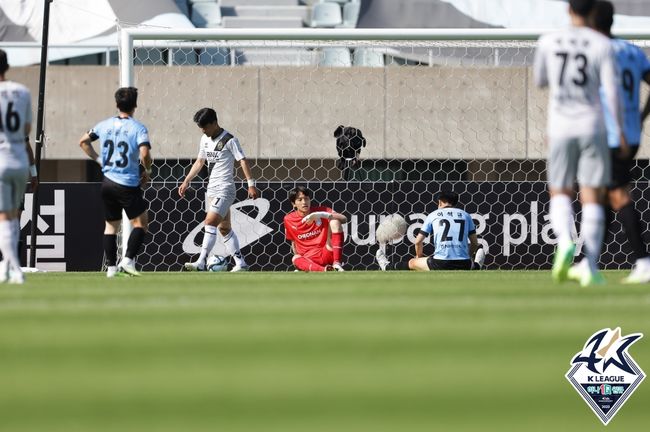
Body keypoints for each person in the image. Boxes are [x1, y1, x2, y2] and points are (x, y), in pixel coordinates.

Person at [533, 0, 624, 287]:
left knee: (559, 191)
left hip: (560, 126)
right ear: (594, 11)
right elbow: (612, 92)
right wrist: (619, 131)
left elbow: (540, 81)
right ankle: (591, 265)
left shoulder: (549, 41)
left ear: (568, 8)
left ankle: (563, 242)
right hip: (592, 125)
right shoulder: (602, 44)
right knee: (591, 195)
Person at [575, 0, 650, 284]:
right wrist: (641, 116)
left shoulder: (596, 51)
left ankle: (643, 261)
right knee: (606, 198)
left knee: (617, 195)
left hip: (608, 134)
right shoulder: (632, 51)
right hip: (631, 134)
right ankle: (589, 262)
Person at [79, 87, 153, 277]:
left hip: (107, 182)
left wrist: (98, 159)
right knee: (141, 224)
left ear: (116, 104)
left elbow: (83, 141)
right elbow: (145, 153)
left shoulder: (104, 125)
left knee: (111, 226)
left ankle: (111, 269)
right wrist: (148, 170)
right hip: (127, 183)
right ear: (135, 105)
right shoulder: (138, 128)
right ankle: (128, 261)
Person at [179, 108, 258, 272]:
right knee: (224, 228)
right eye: (200, 127)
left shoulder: (229, 140)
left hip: (225, 189)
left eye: (205, 127)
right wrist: (186, 180)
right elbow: (200, 161)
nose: (202, 130)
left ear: (214, 123)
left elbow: (242, 161)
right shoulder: (204, 139)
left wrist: (250, 184)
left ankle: (200, 262)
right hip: (212, 190)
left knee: (209, 222)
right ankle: (241, 263)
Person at [375, 190, 485, 271]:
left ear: (441, 202)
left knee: (412, 263)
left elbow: (418, 241)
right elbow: (475, 243)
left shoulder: (433, 215)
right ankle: (475, 265)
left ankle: (387, 267)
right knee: (466, 263)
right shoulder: (466, 215)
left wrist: (418, 257)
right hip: (464, 263)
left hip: (441, 264)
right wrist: (467, 256)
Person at [0, 49, 34, 284]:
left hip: (1, 160)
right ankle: (7, 268)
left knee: (4, 218)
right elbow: (26, 131)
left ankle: (15, 269)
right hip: (20, 161)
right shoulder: (23, 92)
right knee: (13, 218)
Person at [283, 186, 347, 272]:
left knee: (335, 221)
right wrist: (301, 263)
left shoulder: (321, 210)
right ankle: (324, 269)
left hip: (327, 251)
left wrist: (322, 215)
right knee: (295, 258)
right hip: (309, 258)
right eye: (300, 199)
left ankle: (336, 263)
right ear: (293, 204)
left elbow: (344, 218)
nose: (304, 202)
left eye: (306, 198)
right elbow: (294, 243)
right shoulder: (288, 219)